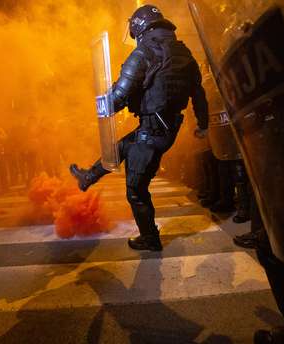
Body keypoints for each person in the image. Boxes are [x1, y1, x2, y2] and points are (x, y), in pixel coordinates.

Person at [70, 5, 208, 252]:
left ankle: (150, 238)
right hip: (167, 127)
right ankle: (88, 177)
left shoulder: (144, 52)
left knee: (135, 189)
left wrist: (103, 104)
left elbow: (119, 96)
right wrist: (203, 124)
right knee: (121, 147)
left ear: (139, 28)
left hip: (153, 130)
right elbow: (198, 93)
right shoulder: (184, 52)